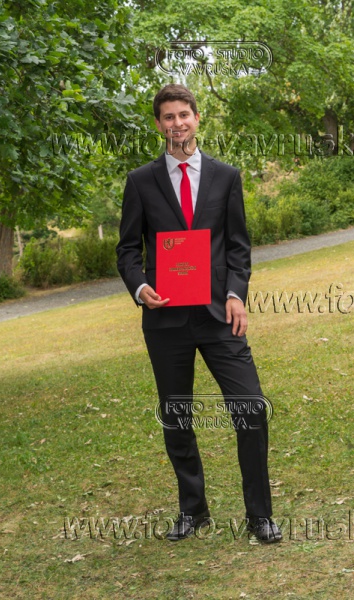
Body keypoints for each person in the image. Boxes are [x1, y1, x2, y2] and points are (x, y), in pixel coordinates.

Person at [116, 84, 282, 543]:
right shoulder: (140, 181)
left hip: (218, 314)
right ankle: (193, 510)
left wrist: (236, 294)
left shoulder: (226, 177)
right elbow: (127, 250)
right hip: (165, 319)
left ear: (196, 118)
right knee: (177, 416)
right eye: (168, 117)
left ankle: (259, 515)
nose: (177, 123)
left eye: (183, 114)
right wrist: (141, 287)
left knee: (251, 408)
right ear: (158, 125)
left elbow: (238, 246)